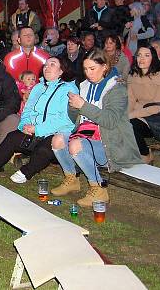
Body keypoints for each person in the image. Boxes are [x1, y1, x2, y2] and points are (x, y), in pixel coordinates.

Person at [50, 48, 143, 206]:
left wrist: (83, 106)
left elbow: (110, 121)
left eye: (92, 69)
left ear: (105, 66)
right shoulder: (85, 85)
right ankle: (72, 179)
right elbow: (76, 120)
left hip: (112, 143)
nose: (89, 73)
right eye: (86, 69)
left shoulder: (117, 89)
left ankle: (98, 188)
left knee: (75, 145)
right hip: (88, 136)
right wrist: (73, 107)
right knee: (58, 140)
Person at [0, 57, 77, 182]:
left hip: (57, 136)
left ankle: (27, 171)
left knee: (45, 148)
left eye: (52, 64)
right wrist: (24, 126)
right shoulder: (38, 87)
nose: (47, 67)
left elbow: (66, 119)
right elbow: (27, 111)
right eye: (45, 65)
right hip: (35, 133)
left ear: (61, 70)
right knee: (12, 137)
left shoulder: (69, 90)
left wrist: (38, 129)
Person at [127, 46, 160, 164]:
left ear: (153, 58)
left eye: (146, 55)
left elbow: (158, 107)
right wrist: (125, 114)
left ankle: (145, 154)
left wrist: (131, 115)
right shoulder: (133, 76)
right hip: (138, 115)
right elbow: (130, 100)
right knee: (122, 122)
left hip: (156, 120)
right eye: (139, 55)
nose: (141, 58)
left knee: (131, 124)